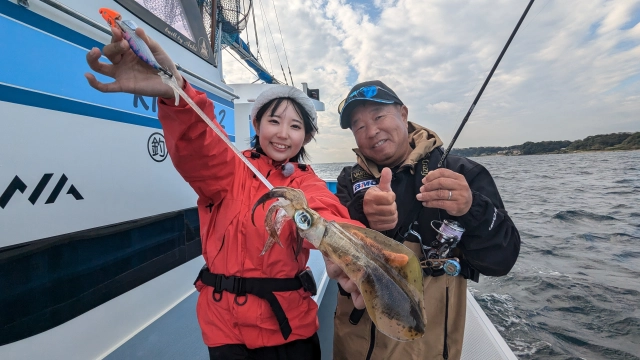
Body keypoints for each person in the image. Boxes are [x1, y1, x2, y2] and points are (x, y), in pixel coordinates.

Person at [85, 25, 362, 360]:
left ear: (304, 137)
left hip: (289, 332)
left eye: (295, 127)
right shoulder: (230, 169)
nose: (283, 134)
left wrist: (352, 253)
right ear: (257, 125)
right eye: (274, 121)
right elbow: (198, 143)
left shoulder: (305, 182)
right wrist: (175, 92)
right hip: (225, 332)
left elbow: (325, 211)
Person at [325, 80, 521, 360]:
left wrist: (472, 207)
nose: (371, 131)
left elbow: (502, 260)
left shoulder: (462, 173)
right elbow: (332, 241)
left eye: (379, 116)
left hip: (429, 345)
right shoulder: (349, 181)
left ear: (403, 114)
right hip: (355, 344)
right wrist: (363, 215)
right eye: (358, 126)